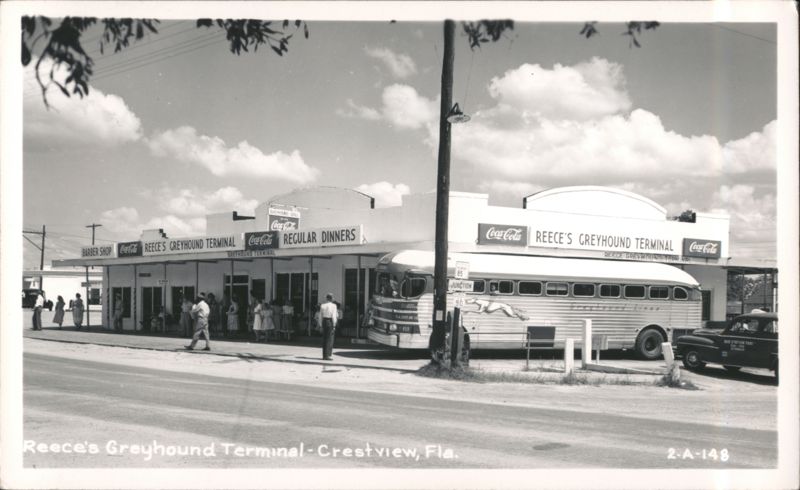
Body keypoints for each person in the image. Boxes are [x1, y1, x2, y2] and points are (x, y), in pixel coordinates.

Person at [320, 293, 338, 360]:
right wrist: (334, 325)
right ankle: (327, 355)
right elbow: (334, 316)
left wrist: (320, 325)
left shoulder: (322, 305)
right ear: (332, 298)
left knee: (325, 339)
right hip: (330, 321)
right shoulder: (334, 306)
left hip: (324, 321)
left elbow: (320, 316)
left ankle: (325, 355)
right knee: (329, 339)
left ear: (327, 298)